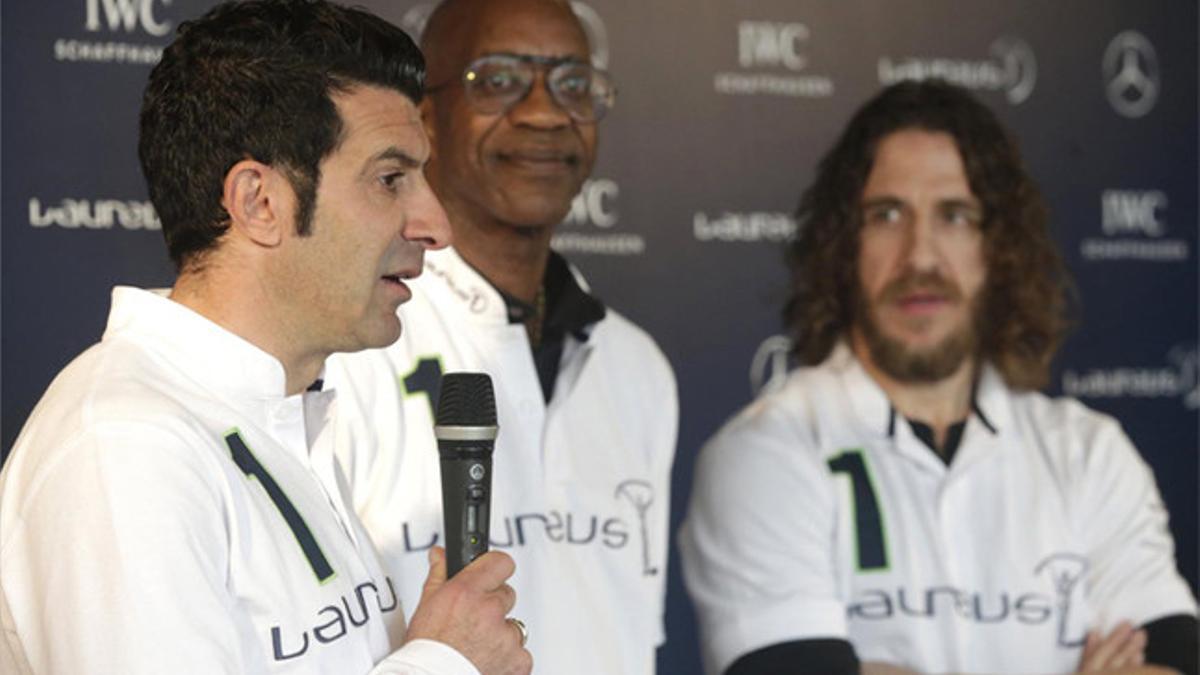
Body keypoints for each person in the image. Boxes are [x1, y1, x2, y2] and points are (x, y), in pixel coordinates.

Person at [0, 1, 532, 673]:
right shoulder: (126, 446)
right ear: (259, 202)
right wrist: (444, 661)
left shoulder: (279, 420)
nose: (435, 224)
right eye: (390, 178)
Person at [679, 80, 1198, 675]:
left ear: (997, 246)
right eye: (887, 215)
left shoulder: (1088, 454)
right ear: (843, 244)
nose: (920, 256)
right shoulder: (767, 451)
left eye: (955, 215)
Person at [325, 0, 678, 673]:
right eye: (498, 79)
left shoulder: (636, 367)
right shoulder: (353, 349)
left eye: (573, 83)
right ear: (423, 115)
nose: (545, 112)